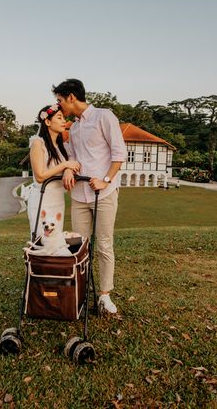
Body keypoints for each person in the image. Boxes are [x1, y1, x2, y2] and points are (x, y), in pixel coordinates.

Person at [53, 79, 126, 314]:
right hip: (79, 195)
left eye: (60, 100)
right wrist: (67, 169)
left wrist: (105, 179)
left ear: (72, 97)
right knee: (78, 246)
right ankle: (81, 293)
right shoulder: (73, 129)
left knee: (104, 244)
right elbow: (72, 157)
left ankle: (104, 295)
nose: (59, 105)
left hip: (103, 193)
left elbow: (119, 153)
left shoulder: (105, 117)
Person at [27, 104, 81, 240]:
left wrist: (68, 168)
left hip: (58, 199)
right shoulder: (38, 144)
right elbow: (40, 176)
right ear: (48, 121)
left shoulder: (62, 147)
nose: (64, 121)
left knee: (55, 238)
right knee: (41, 238)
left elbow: (71, 162)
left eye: (64, 118)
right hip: (42, 197)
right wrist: (65, 165)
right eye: (59, 117)